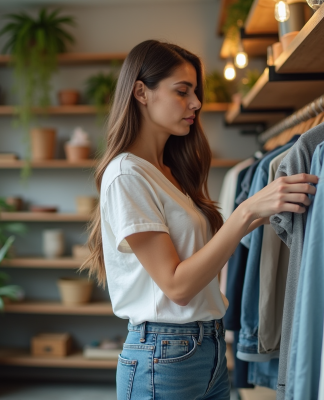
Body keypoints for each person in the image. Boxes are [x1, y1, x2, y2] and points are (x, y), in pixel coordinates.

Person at [82, 40, 318, 400]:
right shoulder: (126, 174)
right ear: (141, 92)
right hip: (164, 354)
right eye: (182, 91)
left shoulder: (168, 172)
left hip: (202, 347)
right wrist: (247, 211)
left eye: (195, 92)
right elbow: (177, 286)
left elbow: (202, 258)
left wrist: (267, 211)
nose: (196, 103)